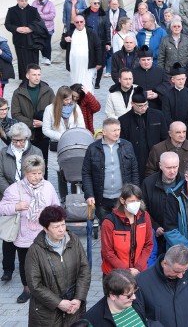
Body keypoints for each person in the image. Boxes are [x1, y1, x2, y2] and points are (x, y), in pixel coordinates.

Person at [0, 155, 59, 303]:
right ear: (26, 172)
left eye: (40, 173)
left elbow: (56, 206)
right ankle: (27, 289)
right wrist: (16, 207)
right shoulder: (15, 188)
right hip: (24, 234)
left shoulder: (48, 186)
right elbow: (2, 208)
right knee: (26, 264)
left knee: (47, 262)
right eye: (33, 173)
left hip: (44, 233)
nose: (37, 177)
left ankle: (47, 288)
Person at [24, 205, 91, 325]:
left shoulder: (73, 240)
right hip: (46, 313)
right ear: (45, 229)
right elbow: (34, 284)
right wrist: (58, 303)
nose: (61, 230)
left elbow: (84, 269)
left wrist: (78, 298)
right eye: (56, 227)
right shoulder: (35, 251)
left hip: (73, 306)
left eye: (63, 224)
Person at [0, 123, 42, 281]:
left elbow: (39, 173)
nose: (18, 143)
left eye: (21, 140)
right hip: (9, 196)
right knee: (9, 234)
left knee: (27, 234)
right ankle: (8, 269)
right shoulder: (3, 153)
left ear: (27, 138)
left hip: (30, 197)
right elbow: (0, 175)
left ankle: (30, 270)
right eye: (15, 140)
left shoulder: (36, 151)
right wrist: (11, 192)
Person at [82, 117, 139, 223]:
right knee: (106, 227)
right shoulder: (93, 148)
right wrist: (89, 194)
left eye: (118, 130)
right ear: (104, 132)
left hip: (122, 197)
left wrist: (134, 193)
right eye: (114, 130)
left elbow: (134, 170)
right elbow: (86, 173)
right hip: (101, 199)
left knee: (123, 227)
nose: (117, 133)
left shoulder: (127, 146)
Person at [136, 244, 188, 327]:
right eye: (176, 271)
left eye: (184, 271)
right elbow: (138, 318)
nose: (181, 276)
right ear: (165, 263)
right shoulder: (142, 281)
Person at [10, 64, 55, 177]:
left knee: (42, 164)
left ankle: (43, 189)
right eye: (34, 74)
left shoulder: (48, 90)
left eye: (39, 74)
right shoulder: (18, 92)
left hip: (43, 135)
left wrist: (44, 123)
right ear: (27, 75)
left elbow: (55, 111)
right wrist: (31, 123)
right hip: (26, 135)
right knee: (26, 165)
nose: (37, 77)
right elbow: (15, 113)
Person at [42, 85, 85, 201]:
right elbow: (45, 129)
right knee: (60, 174)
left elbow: (81, 126)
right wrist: (63, 136)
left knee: (74, 173)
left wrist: (71, 136)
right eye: (66, 100)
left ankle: (74, 199)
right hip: (58, 147)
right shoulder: (50, 109)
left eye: (70, 99)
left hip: (73, 146)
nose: (69, 102)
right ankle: (64, 199)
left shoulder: (76, 108)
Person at [101, 184, 153, 276]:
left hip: (139, 271)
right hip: (115, 274)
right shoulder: (109, 222)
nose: (136, 204)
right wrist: (127, 271)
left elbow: (148, 244)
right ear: (122, 200)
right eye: (132, 201)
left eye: (138, 201)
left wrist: (138, 268)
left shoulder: (145, 217)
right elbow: (107, 252)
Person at [5, 0, 45, 79]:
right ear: (17, 1)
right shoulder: (11, 11)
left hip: (32, 40)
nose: (24, 2)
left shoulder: (33, 10)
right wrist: (16, 29)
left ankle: (35, 78)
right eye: (22, 1)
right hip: (19, 40)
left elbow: (39, 22)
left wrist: (30, 28)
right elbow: (7, 24)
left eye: (26, 1)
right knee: (22, 60)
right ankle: (24, 79)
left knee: (33, 60)